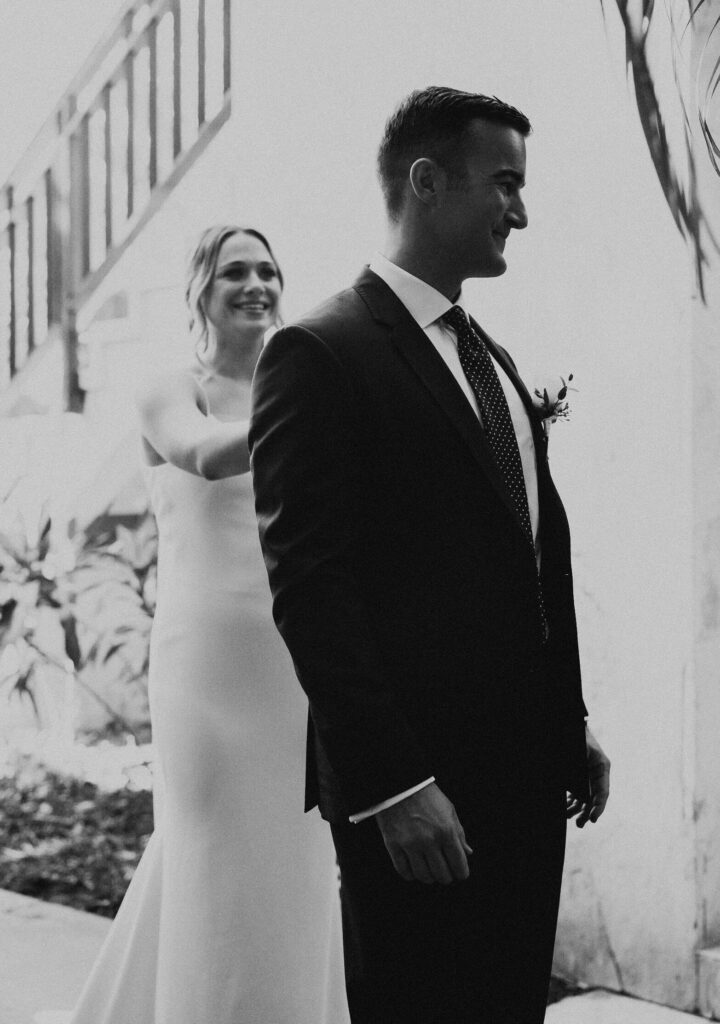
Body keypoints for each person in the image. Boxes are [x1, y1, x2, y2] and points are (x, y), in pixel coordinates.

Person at [249, 87, 611, 1024]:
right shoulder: (318, 353)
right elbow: (311, 589)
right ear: (425, 180)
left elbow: (524, 554)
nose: (520, 212)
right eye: (504, 184)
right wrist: (392, 787)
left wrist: (563, 719)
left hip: (525, 777)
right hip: (421, 794)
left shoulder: (483, 351)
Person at [67, 226, 349, 1024]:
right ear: (201, 290)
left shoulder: (298, 381)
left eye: (267, 268)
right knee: (210, 849)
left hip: (291, 657)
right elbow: (203, 456)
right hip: (205, 667)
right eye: (234, 271)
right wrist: (310, 410)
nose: (255, 282)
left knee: (292, 857)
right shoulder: (170, 386)